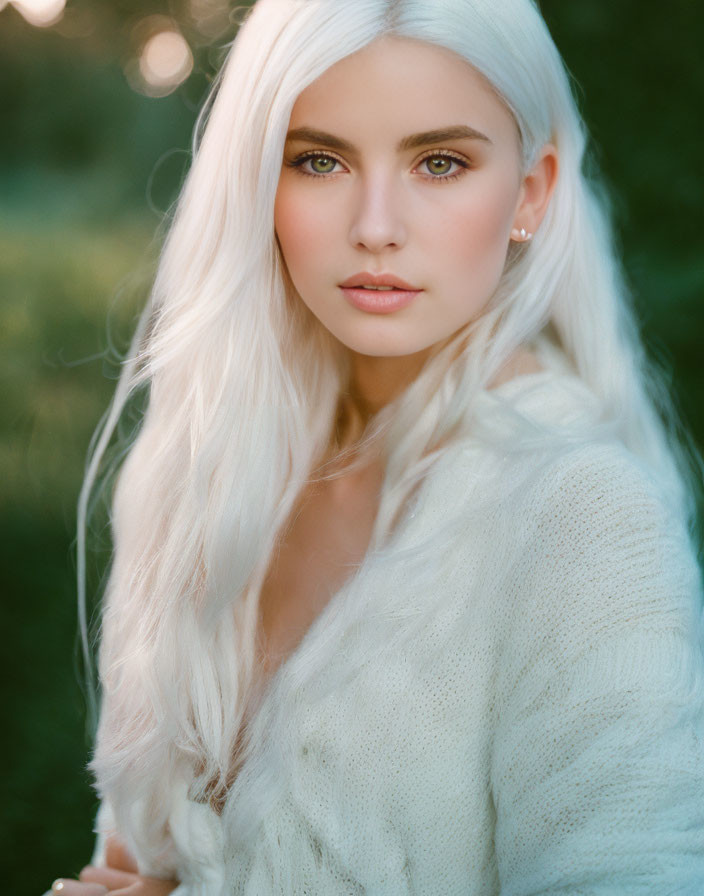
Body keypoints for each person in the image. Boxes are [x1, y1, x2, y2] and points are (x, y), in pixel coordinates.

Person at [48, 0, 704, 892]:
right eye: (320, 160)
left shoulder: (581, 515)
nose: (376, 225)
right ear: (259, 185)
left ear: (531, 193)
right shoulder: (207, 470)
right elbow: (133, 852)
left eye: (440, 162)